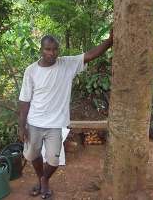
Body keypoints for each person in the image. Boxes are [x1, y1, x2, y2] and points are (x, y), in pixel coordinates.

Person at [18, 31, 113, 199]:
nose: (52, 53)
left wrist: (110, 41)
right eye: (48, 49)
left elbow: (90, 55)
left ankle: (44, 179)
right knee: (33, 155)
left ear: (58, 50)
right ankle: (41, 180)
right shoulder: (31, 71)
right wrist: (21, 125)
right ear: (41, 49)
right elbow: (24, 100)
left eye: (55, 49)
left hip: (55, 124)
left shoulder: (66, 64)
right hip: (34, 122)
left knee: (54, 160)